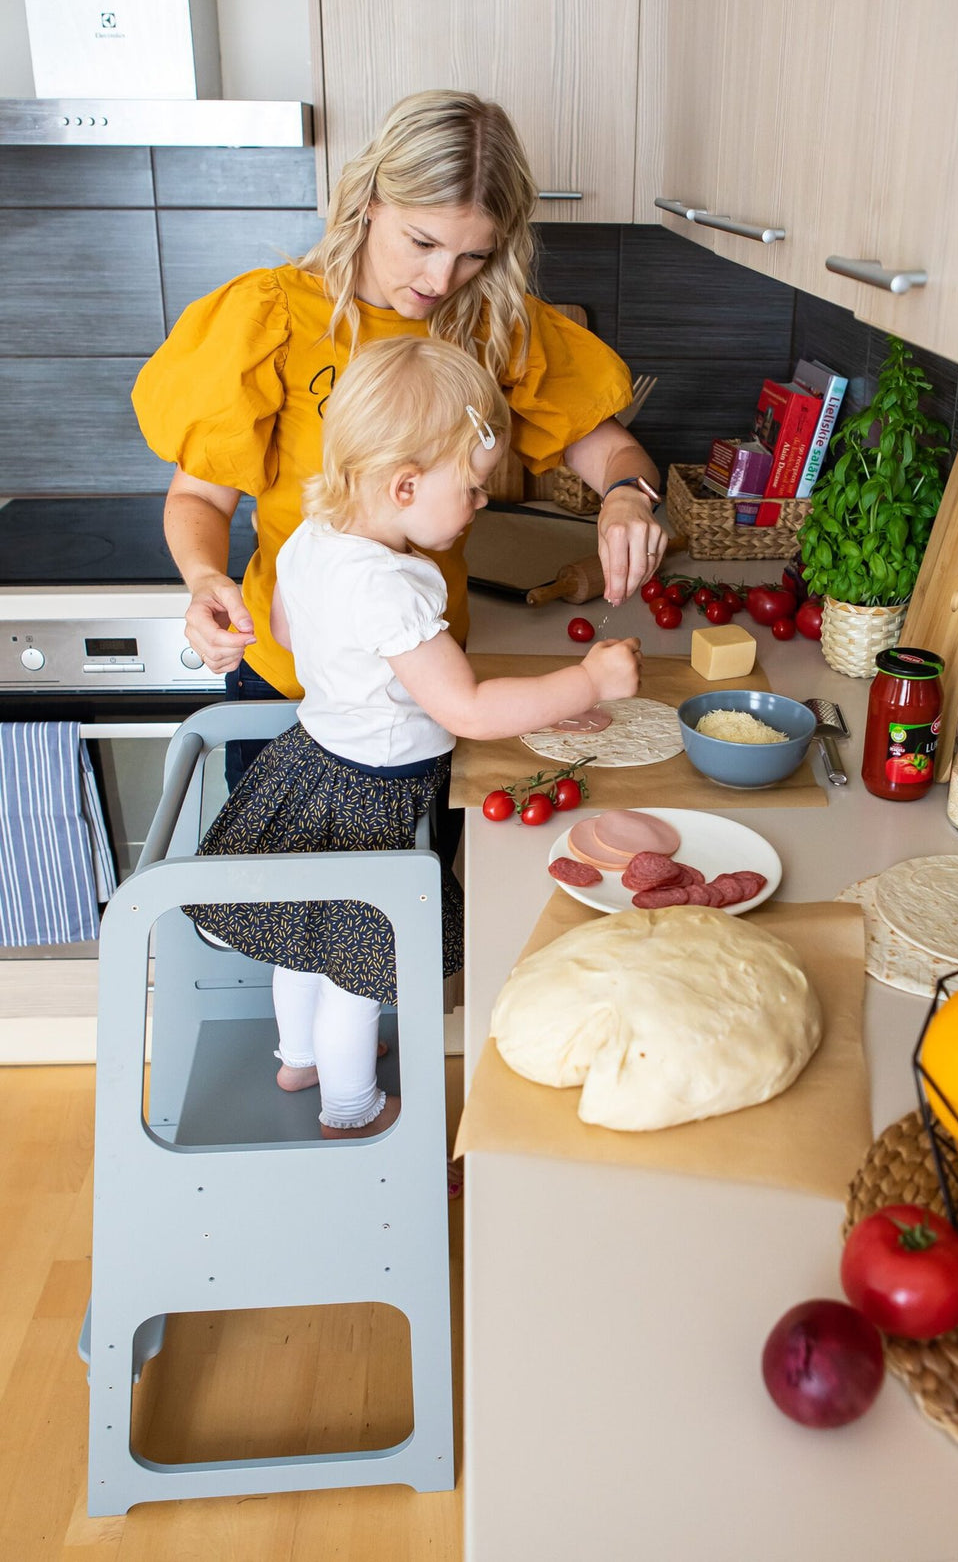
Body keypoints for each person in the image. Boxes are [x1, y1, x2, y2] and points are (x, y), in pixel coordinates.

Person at [132, 87, 665, 788]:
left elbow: (607, 446)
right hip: (286, 680)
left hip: (427, 682)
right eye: (422, 242)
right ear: (370, 201)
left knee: (405, 882)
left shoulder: (488, 321)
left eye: (474, 254)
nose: (442, 279)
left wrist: (629, 493)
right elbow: (198, 495)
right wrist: (205, 579)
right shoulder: (274, 318)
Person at [184, 335, 642, 1139]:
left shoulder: (309, 542)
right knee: (358, 970)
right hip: (372, 796)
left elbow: (289, 636)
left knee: (306, 937)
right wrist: (589, 682)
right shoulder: (392, 588)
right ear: (404, 485)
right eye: (470, 487)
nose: (481, 504)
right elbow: (464, 709)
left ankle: (297, 1057)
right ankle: (350, 1105)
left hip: (309, 764)